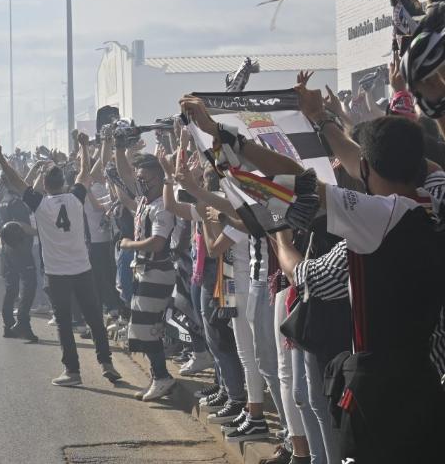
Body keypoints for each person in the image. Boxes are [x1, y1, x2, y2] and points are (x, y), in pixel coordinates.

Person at [182, 96, 445, 463]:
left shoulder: (383, 216)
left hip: (381, 394)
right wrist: (322, 119)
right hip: (427, 380)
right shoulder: (434, 198)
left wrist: (228, 139)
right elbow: (367, 161)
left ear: (366, 168)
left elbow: (301, 184)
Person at [0, 134, 122, 388]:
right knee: (95, 318)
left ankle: (72, 371)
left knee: (63, 323)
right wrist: (84, 146)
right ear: (64, 182)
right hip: (82, 269)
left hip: (56, 274)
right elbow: (85, 172)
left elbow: (17, 182)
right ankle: (107, 364)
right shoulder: (76, 198)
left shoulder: (39, 204)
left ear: (44, 186)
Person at [112, 144, 177, 401]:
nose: (138, 182)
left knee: (147, 329)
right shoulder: (144, 201)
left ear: (158, 178)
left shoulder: (161, 205)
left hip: (157, 271)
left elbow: (158, 242)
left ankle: (162, 377)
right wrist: (119, 150)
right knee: (141, 328)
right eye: (138, 178)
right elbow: (124, 181)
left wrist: (130, 245)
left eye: (143, 178)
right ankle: (157, 375)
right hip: (144, 271)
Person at [0, 221, 39, 342]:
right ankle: (23, 323)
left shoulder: (5, 202)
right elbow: (21, 223)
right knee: (29, 284)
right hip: (19, 244)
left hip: (8, 243)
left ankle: (9, 325)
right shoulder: (21, 204)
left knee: (11, 287)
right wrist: (41, 232)